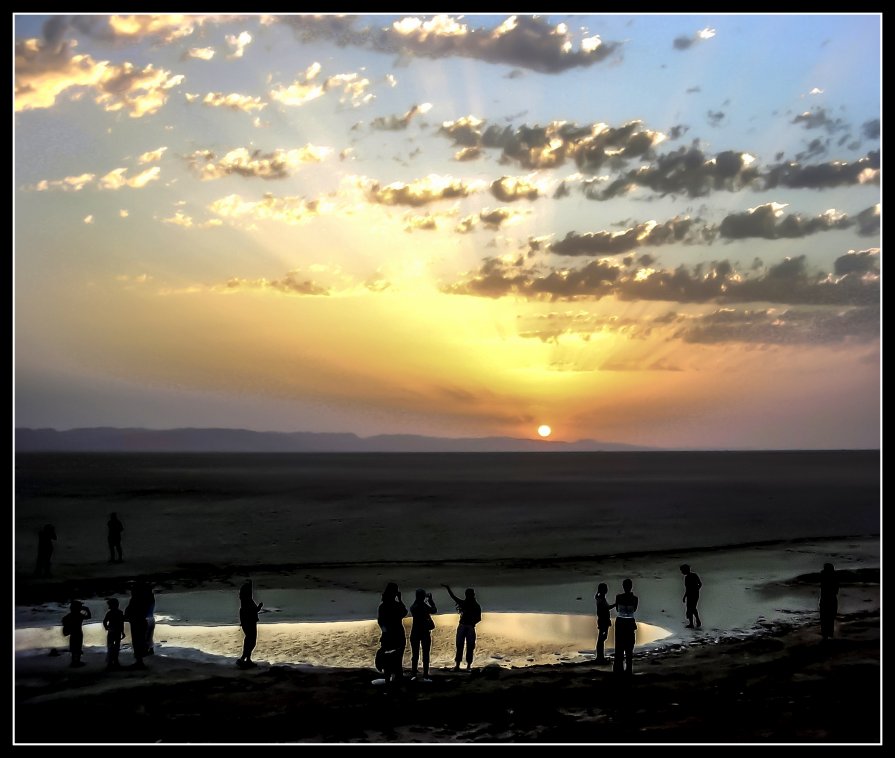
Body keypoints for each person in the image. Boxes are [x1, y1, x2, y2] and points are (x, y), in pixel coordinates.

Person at [442, 584, 482, 671]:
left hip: (465, 626)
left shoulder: (468, 604)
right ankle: (465, 666)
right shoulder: (475, 605)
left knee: (465, 646)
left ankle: (461, 666)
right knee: (465, 646)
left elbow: (453, 597)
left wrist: (448, 588)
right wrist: (472, 623)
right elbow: (478, 618)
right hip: (468, 627)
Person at [376, 582, 408, 687]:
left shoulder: (382, 606)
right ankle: (397, 681)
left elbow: (380, 622)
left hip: (388, 635)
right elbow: (405, 612)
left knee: (387, 660)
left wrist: (385, 632)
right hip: (398, 634)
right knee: (397, 660)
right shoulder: (397, 605)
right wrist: (400, 599)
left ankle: (388, 681)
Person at [409, 588, 438, 681]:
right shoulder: (424, 606)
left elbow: (413, 607)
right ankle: (425, 673)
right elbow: (434, 610)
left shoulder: (414, 606)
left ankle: (414, 672)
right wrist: (431, 600)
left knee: (415, 654)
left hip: (415, 631)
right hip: (424, 632)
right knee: (425, 653)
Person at [613, 578, 638, 676]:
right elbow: (634, 609)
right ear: (631, 586)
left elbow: (617, 609)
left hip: (621, 621)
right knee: (629, 646)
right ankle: (628, 669)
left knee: (619, 646)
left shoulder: (618, 597)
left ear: (623, 586)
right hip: (629, 621)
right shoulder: (635, 598)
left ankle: (618, 668)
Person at [237, 580, 263, 668]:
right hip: (250, 623)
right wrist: (259, 607)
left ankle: (247, 658)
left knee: (249, 640)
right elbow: (253, 611)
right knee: (251, 641)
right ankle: (244, 658)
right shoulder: (248, 602)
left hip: (248, 623)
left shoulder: (245, 603)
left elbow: (251, 611)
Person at [124, 581, 148, 668]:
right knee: (140, 641)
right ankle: (139, 660)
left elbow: (130, 611)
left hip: (137, 622)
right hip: (139, 622)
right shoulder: (142, 599)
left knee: (137, 641)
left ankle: (139, 661)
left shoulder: (135, 600)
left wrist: (127, 617)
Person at [62, 600, 91, 667]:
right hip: (78, 633)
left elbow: (64, 620)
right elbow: (89, 616)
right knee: (78, 648)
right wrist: (87, 609)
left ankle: (73, 662)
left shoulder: (69, 616)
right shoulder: (79, 615)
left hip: (73, 633)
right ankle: (77, 661)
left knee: (74, 648)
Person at [594, 582, 615, 664]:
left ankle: (600, 656)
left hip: (603, 620)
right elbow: (606, 608)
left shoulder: (599, 598)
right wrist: (615, 604)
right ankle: (600, 657)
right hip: (603, 620)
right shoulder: (601, 599)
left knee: (602, 638)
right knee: (602, 638)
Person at [102, 598, 126, 670]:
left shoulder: (109, 613)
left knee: (110, 646)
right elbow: (122, 623)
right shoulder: (120, 612)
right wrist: (122, 632)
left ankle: (110, 662)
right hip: (117, 631)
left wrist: (106, 627)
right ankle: (115, 661)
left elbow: (104, 621)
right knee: (116, 646)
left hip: (111, 631)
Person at [819, 562, 839, 640]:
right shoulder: (834, 576)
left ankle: (826, 635)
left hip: (825, 599)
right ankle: (828, 634)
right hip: (830, 598)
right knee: (830, 617)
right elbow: (836, 590)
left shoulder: (824, 576)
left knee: (825, 617)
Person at [680, 564, 702, 629]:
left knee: (691, 608)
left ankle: (696, 621)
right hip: (692, 594)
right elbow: (688, 588)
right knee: (691, 608)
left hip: (693, 594)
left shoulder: (690, 577)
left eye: (682, 571)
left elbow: (699, 584)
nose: (681, 572)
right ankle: (693, 623)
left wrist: (696, 590)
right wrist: (685, 596)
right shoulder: (689, 577)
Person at [143, 581, 156, 655]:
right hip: (151, 618)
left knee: (145, 636)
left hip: (146, 618)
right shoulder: (152, 598)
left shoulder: (146, 598)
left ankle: (147, 650)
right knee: (149, 636)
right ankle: (150, 649)